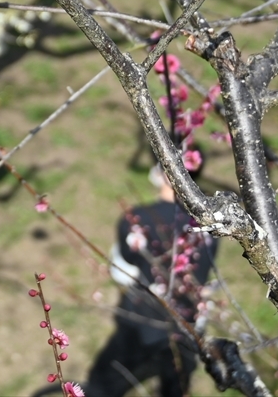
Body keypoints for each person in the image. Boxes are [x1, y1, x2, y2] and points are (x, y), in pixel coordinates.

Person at [83, 165, 217, 397]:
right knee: (175, 388)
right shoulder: (208, 223)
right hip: (186, 322)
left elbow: (126, 258)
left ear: (163, 173)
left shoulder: (138, 219)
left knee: (101, 383)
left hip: (141, 319)